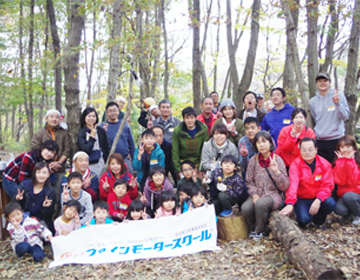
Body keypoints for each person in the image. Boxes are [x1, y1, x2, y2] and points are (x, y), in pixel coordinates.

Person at [280, 138, 336, 229]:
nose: (307, 152)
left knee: (331, 203)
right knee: (304, 220)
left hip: (318, 197)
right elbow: (293, 185)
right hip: (302, 198)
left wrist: (318, 199)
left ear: (316, 150)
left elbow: (328, 185)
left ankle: (319, 220)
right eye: (304, 149)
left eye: (310, 149)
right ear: (300, 150)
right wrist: (290, 203)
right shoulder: (295, 165)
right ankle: (305, 215)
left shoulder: (324, 164)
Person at [242, 131, 289, 239]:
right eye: (258, 142)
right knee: (245, 208)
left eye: (264, 141)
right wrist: (254, 195)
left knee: (260, 204)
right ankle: (254, 228)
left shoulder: (277, 159)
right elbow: (249, 181)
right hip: (258, 193)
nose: (261, 145)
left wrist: (276, 172)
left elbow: (285, 186)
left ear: (270, 143)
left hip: (273, 195)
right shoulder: (253, 160)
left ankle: (260, 231)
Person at [309, 72, 350, 163]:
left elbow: (345, 117)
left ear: (329, 83)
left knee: (337, 167)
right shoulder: (312, 101)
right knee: (322, 169)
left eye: (325, 80)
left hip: (336, 139)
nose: (322, 83)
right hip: (320, 140)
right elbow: (316, 118)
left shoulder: (339, 96)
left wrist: (337, 104)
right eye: (319, 81)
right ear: (316, 84)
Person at [31, 109, 71, 188]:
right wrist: (47, 164)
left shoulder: (64, 133)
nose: (54, 119)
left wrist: (58, 162)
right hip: (43, 169)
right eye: (51, 117)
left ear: (60, 120)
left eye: (57, 117)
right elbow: (34, 148)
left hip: (59, 168)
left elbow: (67, 149)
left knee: (58, 193)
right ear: (46, 118)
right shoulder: (40, 132)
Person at [14, 162, 56, 232]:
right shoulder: (25, 184)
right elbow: (14, 205)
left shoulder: (51, 191)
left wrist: (47, 207)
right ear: (34, 173)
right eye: (38, 172)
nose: (41, 175)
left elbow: (49, 216)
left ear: (48, 175)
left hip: (40, 221)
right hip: (24, 218)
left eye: (44, 173)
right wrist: (17, 199)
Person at [172, 107, 209, 176]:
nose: (189, 120)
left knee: (198, 183)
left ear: (195, 118)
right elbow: (175, 150)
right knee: (184, 184)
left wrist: (202, 168)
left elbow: (205, 149)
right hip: (183, 163)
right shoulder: (178, 130)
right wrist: (178, 169)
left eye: (192, 117)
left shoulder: (203, 129)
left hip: (198, 162)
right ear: (183, 119)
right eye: (187, 118)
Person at [332, 136, 360, 225]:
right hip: (344, 195)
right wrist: (341, 162)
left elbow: (354, 181)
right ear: (339, 148)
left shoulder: (358, 161)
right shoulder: (337, 162)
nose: (345, 150)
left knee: (348, 196)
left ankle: (358, 214)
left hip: (357, 193)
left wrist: (350, 161)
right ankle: (351, 213)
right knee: (339, 210)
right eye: (342, 147)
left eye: (348, 146)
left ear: (353, 147)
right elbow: (340, 181)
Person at [100, 101, 135, 173]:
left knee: (128, 179)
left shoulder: (124, 124)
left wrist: (133, 158)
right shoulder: (103, 127)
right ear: (107, 112)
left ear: (118, 111)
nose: (113, 113)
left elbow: (130, 142)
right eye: (110, 111)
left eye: (115, 110)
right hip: (110, 160)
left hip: (124, 158)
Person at [78, 107, 110, 177]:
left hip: (100, 162)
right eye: (89, 116)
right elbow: (85, 149)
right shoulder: (82, 132)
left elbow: (106, 147)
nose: (91, 118)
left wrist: (107, 162)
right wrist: (92, 137)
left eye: (93, 116)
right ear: (84, 117)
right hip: (86, 163)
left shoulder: (101, 131)